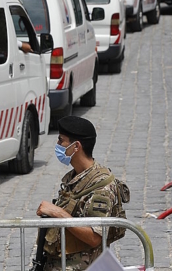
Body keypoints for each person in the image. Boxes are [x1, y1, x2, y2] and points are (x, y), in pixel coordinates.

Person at [32, 116, 129, 271]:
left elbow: (94, 237)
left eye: (61, 140)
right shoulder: (76, 177)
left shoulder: (100, 186)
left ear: (76, 146)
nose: (57, 145)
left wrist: (58, 213)